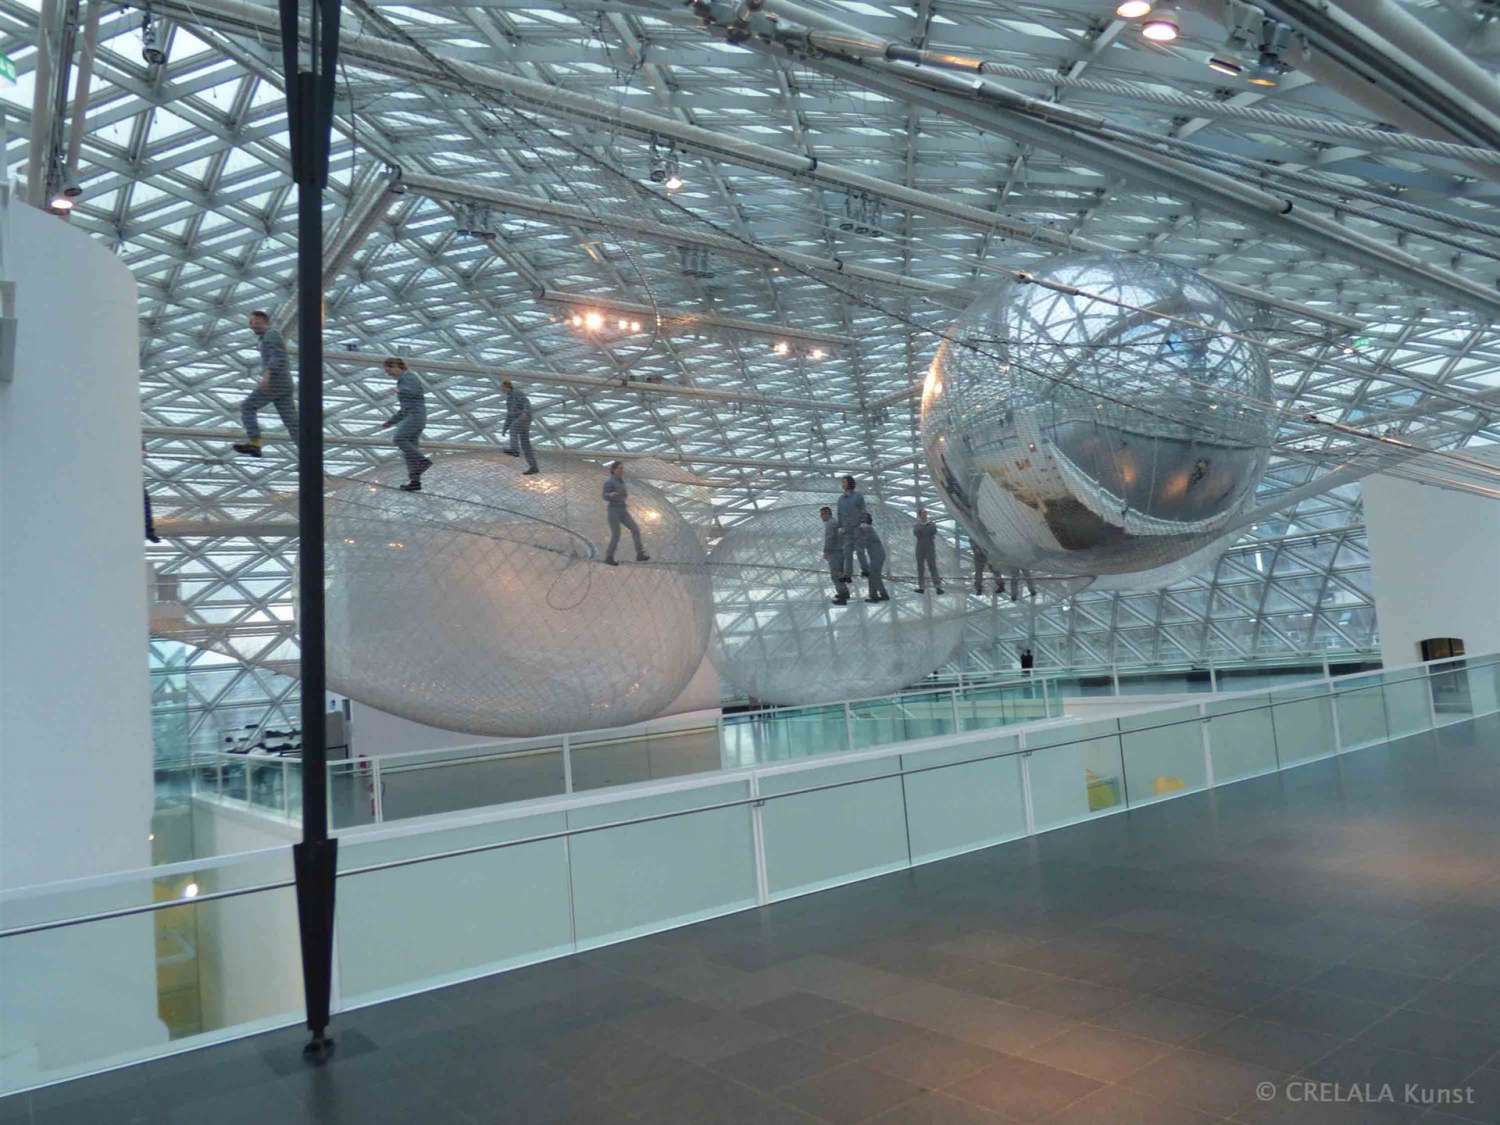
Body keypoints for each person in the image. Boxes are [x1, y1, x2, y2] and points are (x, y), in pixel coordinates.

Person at [233, 311, 297, 457]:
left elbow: (278, 355)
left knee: (247, 406)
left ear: (266, 322)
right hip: (284, 382)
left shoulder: (271, 334)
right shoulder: (265, 338)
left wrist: (268, 373)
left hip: (276, 381)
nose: (253, 325)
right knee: (292, 422)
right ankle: (308, 451)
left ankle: (255, 443)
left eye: (256, 322)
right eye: (251, 323)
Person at [379, 357, 432, 492]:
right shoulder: (403, 381)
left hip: (415, 416)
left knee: (399, 439)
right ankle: (415, 481)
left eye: (389, 370)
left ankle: (423, 461)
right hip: (413, 416)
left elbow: (415, 392)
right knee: (410, 453)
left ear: (397, 366)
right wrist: (390, 422)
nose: (388, 374)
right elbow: (404, 409)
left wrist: (399, 390)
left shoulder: (409, 377)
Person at [602, 461, 649, 565]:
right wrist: (610, 495)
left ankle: (640, 554)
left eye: (622, 468)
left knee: (635, 529)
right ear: (613, 470)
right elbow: (604, 496)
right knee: (616, 534)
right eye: (619, 468)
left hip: (622, 509)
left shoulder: (621, 481)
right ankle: (609, 557)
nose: (622, 470)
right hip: (614, 510)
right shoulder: (609, 482)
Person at [502, 379, 539, 475]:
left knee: (513, 429)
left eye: (503, 388)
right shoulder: (509, 399)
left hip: (523, 418)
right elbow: (509, 415)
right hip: (521, 419)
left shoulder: (517, 393)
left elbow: (526, 402)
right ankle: (533, 467)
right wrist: (505, 428)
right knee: (525, 444)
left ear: (506, 387)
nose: (502, 390)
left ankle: (514, 450)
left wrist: (525, 413)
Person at [836, 475, 868, 582]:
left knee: (859, 550)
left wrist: (863, 522)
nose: (842, 484)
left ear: (850, 483)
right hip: (847, 529)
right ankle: (847, 575)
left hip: (857, 527)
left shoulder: (858, 496)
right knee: (847, 552)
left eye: (844, 482)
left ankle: (865, 570)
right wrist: (840, 526)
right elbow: (839, 514)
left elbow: (863, 509)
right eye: (842, 482)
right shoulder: (841, 499)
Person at [855, 512, 888, 602]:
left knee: (874, 576)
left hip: (877, 555)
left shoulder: (865, 528)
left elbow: (860, 548)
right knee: (873, 575)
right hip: (877, 555)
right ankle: (874, 596)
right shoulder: (868, 528)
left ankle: (883, 595)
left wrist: (864, 568)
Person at [820, 506, 849, 605]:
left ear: (826, 514)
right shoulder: (835, 522)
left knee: (835, 575)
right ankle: (845, 592)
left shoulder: (830, 523)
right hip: (840, 551)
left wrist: (826, 551)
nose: (821, 517)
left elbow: (830, 538)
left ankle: (843, 596)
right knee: (839, 573)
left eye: (822, 514)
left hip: (834, 552)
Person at [913, 508, 944, 594]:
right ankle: (922, 587)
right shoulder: (921, 525)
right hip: (921, 547)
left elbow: (931, 531)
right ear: (920, 515)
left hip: (928, 547)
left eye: (926, 513)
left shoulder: (928, 524)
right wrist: (925, 531)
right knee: (920, 567)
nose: (925, 515)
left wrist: (922, 531)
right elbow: (917, 533)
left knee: (932, 566)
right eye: (923, 513)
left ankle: (938, 587)